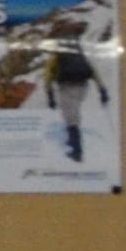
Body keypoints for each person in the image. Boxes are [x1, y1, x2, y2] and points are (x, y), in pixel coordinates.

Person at [46, 33, 100, 166]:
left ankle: (76, 151)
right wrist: (102, 89)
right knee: (74, 113)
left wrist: (50, 96)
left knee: (71, 118)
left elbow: (48, 77)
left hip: (66, 88)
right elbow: (93, 72)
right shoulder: (79, 55)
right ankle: (72, 141)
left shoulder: (56, 57)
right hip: (83, 88)